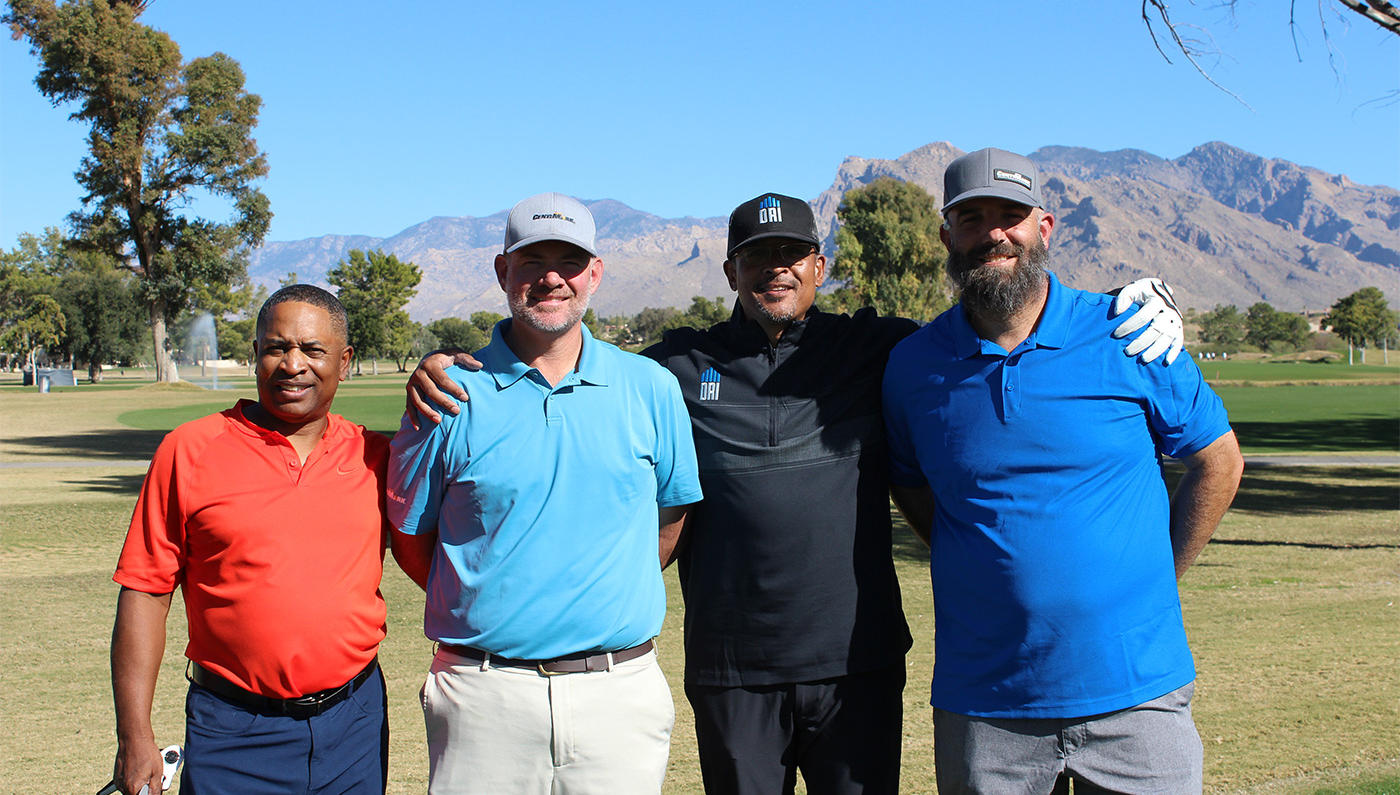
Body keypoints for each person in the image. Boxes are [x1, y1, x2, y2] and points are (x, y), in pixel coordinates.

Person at [405, 188, 1186, 795]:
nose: (774, 268)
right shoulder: (672, 368)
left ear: (819, 265)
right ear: (731, 272)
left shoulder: (881, 348)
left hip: (860, 663)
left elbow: (999, 301)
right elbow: (562, 350)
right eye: (756, 255)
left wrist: (1131, 298)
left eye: (792, 253)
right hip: (733, 667)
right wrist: (446, 360)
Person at [882, 147, 1244, 795]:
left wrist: (1159, 570)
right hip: (985, 705)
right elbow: (912, 484)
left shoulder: (1129, 333)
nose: (994, 232)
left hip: (1138, 694)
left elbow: (1218, 460)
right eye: (973, 217)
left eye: (1011, 215)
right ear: (946, 235)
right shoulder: (913, 367)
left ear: (1043, 228)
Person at [386, 192, 704, 795]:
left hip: (618, 692)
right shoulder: (449, 394)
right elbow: (410, 537)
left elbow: (669, 519)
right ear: (504, 270)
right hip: (483, 696)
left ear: (595, 274)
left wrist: (600, 589)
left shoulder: (650, 387)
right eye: (533, 262)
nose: (552, 278)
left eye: (570, 261)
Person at [111, 285, 395, 795]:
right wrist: (134, 734)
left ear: (345, 361)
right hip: (233, 729)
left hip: (354, 721)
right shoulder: (190, 450)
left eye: (312, 350)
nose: (292, 364)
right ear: (255, 355)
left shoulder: (377, 456)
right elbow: (145, 590)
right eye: (275, 347)